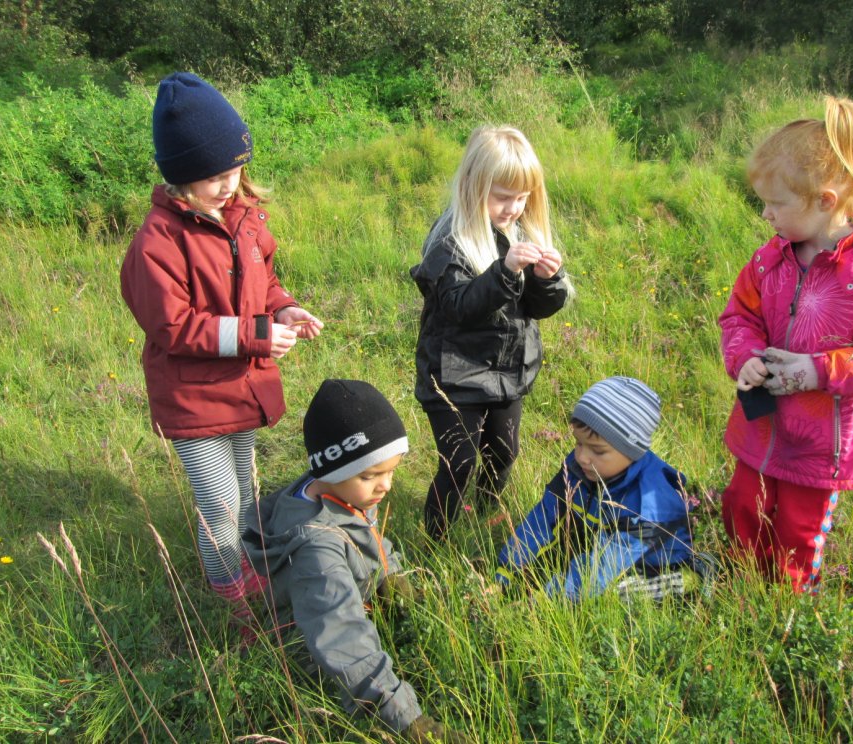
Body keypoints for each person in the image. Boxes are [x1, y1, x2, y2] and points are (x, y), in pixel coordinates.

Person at [120, 72, 323, 619]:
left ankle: (245, 564)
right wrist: (257, 335)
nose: (230, 183)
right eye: (214, 175)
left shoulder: (246, 221)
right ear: (180, 176)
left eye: (235, 169)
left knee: (244, 485)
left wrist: (283, 308)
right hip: (193, 397)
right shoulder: (157, 243)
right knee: (219, 502)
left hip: (238, 387)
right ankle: (229, 593)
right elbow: (174, 327)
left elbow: (266, 280)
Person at [719, 96, 853, 593]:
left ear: (826, 201)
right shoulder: (769, 260)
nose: (766, 214)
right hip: (762, 427)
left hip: (825, 447)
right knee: (741, 509)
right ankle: (736, 596)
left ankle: (786, 615)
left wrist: (819, 371)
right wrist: (745, 356)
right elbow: (739, 316)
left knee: (797, 533)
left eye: (775, 203)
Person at [242, 380, 467, 744]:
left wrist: (393, 579)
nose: (386, 486)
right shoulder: (316, 548)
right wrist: (409, 722)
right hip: (314, 653)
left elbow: (370, 539)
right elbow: (343, 638)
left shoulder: (347, 491)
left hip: (351, 605)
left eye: (391, 470)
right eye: (371, 475)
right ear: (329, 470)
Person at [411, 125, 572, 540]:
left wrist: (547, 279)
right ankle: (436, 536)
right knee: (459, 461)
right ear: (473, 186)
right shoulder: (449, 242)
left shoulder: (516, 233)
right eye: (503, 196)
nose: (514, 208)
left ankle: (485, 516)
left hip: (506, 374)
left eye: (523, 198)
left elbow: (539, 308)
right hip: (454, 376)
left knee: (503, 452)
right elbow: (460, 308)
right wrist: (504, 272)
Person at [495, 377, 703, 601]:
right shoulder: (579, 468)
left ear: (632, 451)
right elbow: (544, 518)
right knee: (561, 553)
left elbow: (601, 569)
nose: (582, 457)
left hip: (652, 564)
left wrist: (546, 601)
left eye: (598, 451)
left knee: (616, 595)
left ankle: (692, 576)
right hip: (603, 540)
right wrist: (506, 572)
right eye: (578, 443)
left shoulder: (648, 504)